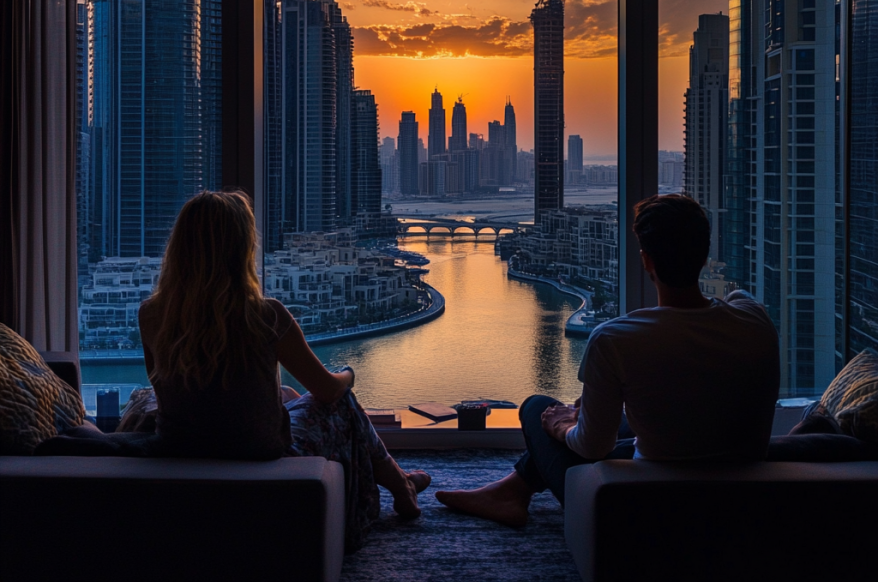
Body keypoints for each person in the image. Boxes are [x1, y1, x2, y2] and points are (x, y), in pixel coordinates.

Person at [436, 194, 780, 527]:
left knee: (537, 407)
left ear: (646, 260)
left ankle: (510, 494)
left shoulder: (616, 338)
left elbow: (592, 446)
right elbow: (738, 299)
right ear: (705, 256)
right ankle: (510, 493)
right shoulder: (755, 320)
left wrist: (562, 426)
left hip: (655, 497)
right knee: (613, 421)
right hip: (744, 489)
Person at [139, 190, 430, 551]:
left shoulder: (151, 314)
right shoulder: (265, 315)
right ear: (241, 249)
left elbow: (166, 390)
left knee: (291, 395)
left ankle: (399, 480)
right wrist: (348, 374)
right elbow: (326, 391)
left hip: (178, 446)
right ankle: (399, 483)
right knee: (342, 399)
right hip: (259, 449)